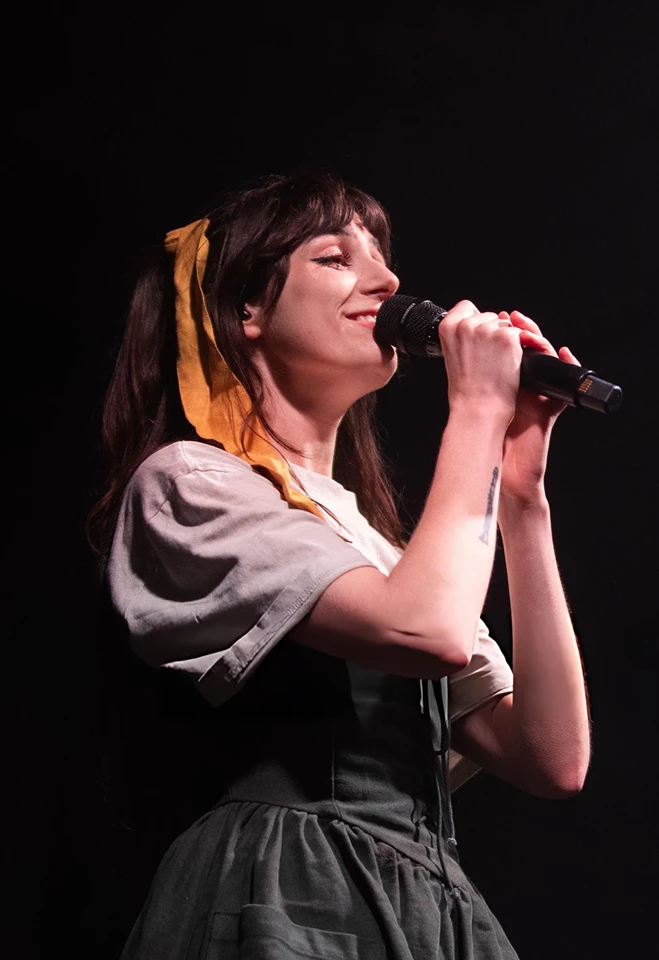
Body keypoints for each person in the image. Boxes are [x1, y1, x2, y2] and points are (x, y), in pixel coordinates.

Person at [87, 170, 592, 959]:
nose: (388, 280)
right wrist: (477, 409)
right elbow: (426, 632)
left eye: (382, 255)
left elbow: (551, 755)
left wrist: (521, 496)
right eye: (335, 256)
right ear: (246, 309)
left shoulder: (381, 548)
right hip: (290, 889)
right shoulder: (192, 483)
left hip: (425, 906)